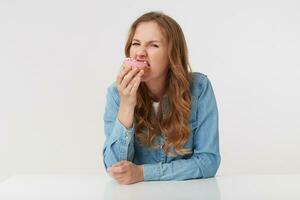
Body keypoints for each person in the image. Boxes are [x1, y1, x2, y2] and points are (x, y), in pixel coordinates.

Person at [102, 11, 221, 185]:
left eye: (153, 45)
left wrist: (143, 173)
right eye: (136, 43)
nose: (140, 53)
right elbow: (115, 168)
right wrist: (127, 105)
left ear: (171, 55)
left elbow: (209, 162)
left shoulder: (199, 88)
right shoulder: (116, 93)